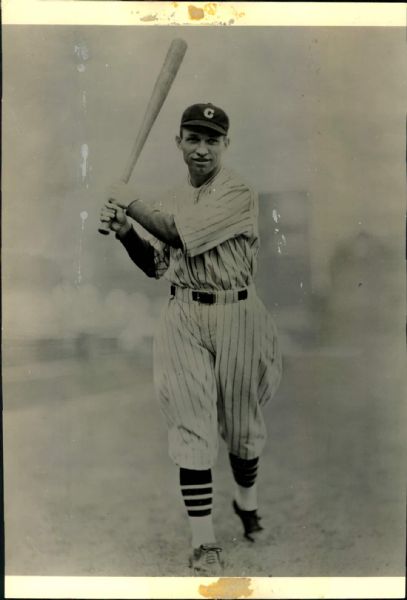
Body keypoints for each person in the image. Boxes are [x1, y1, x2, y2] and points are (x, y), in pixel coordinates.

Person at [100, 102, 282, 576]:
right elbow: (158, 264)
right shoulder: (168, 197)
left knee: (242, 433)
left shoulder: (238, 191)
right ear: (178, 142)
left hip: (238, 314)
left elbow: (179, 234)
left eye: (211, 140)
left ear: (226, 144)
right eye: (192, 138)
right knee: (191, 428)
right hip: (183, 315)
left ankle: (247, 504)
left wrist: (129, 201)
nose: (201, 149)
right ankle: (204, 543)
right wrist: (125, 232)